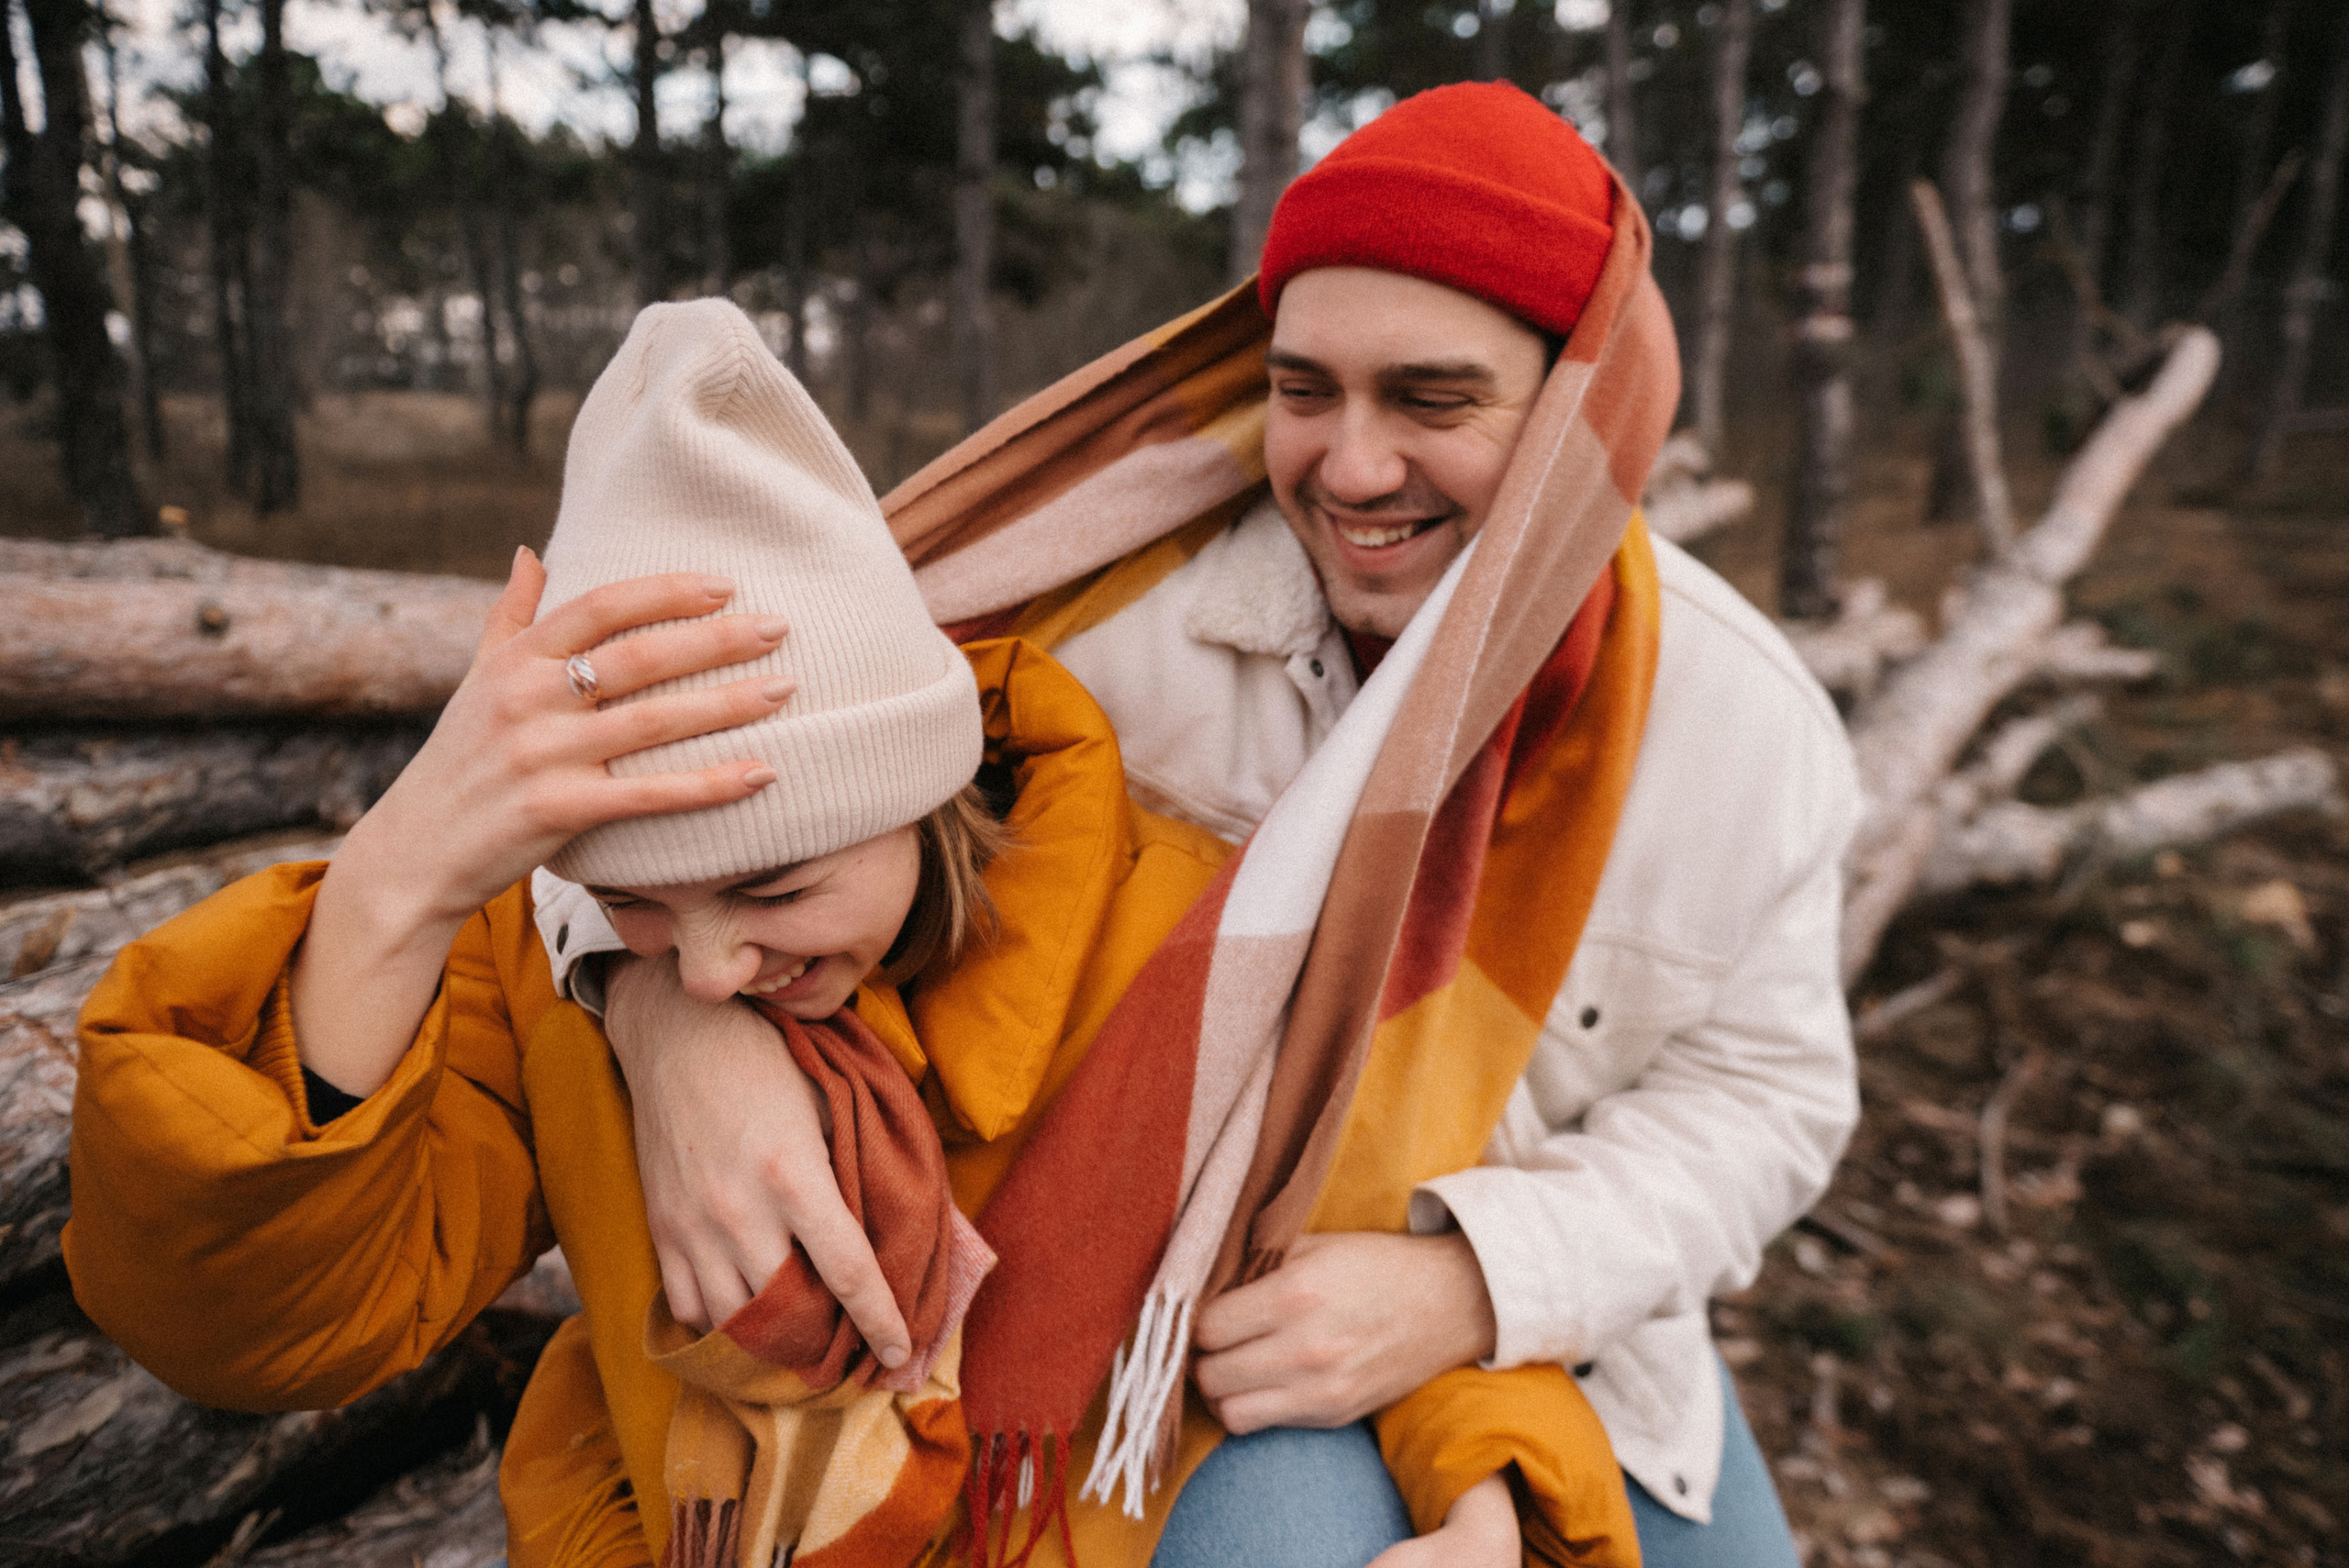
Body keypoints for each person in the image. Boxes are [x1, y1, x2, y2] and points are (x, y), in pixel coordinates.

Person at [66, 299, 1637, 1568]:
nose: (702, 972)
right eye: (635, 906)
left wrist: (1495, 1505)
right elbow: (255, 1331)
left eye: (770, 890)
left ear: (920, 786)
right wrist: (397, 880)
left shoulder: (1185, 941)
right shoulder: (554, 973)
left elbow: (1372, 1275)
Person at [552, 82, 1861, 1568]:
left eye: (1432, 399)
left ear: (1581, 402)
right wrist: (661, 1011)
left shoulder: (1741, 724)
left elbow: (1768, 1097)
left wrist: (1472, 1287)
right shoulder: (1110, 613)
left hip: (1565, 1330)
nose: (1351, 468)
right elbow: (660, 788)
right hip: (1168, 1347)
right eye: (1305, 391)